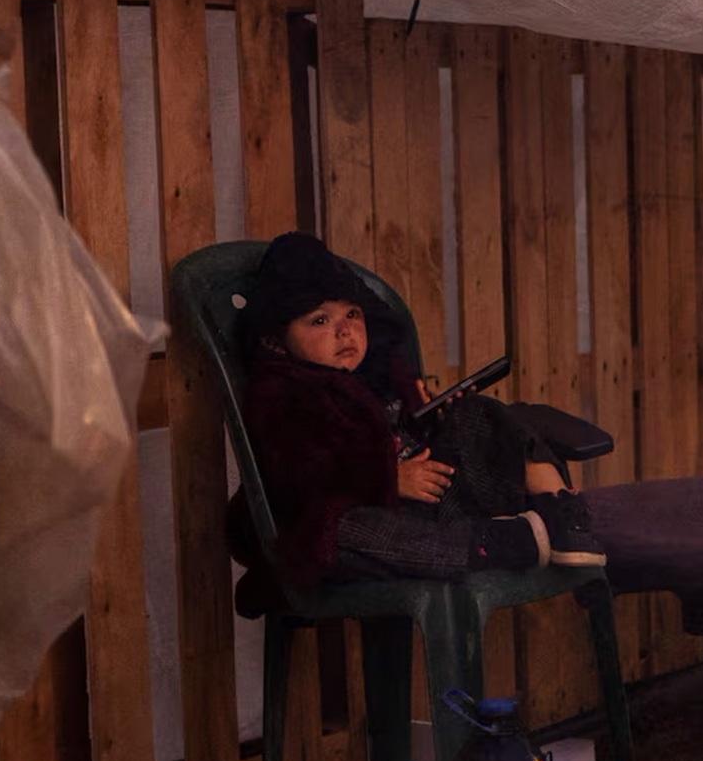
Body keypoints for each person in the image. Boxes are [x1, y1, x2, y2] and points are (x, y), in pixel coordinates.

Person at [235, 231, 602, 587]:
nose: (344, 331)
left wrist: (435, 418)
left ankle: (559, 513)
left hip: (426, 499)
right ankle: (494, 543)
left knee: (479, 412)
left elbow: (406, 432)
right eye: (320, 320)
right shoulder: (281, 392)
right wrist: (388, 478)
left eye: (353, 314)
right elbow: (299, 475)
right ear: (277, 340)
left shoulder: (378, 373)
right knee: (345, 532)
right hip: (353, 516)